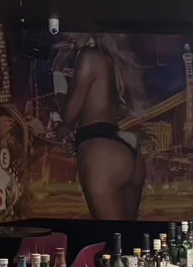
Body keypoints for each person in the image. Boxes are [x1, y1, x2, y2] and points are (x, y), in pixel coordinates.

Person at [52, 35, 146, 219]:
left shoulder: (89, 56)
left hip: (101, 152)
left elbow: (69, 115)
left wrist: (57, 74)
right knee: (129, 234)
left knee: (111, 235)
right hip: (127, 148)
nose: (67, 35)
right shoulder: (112, 59)